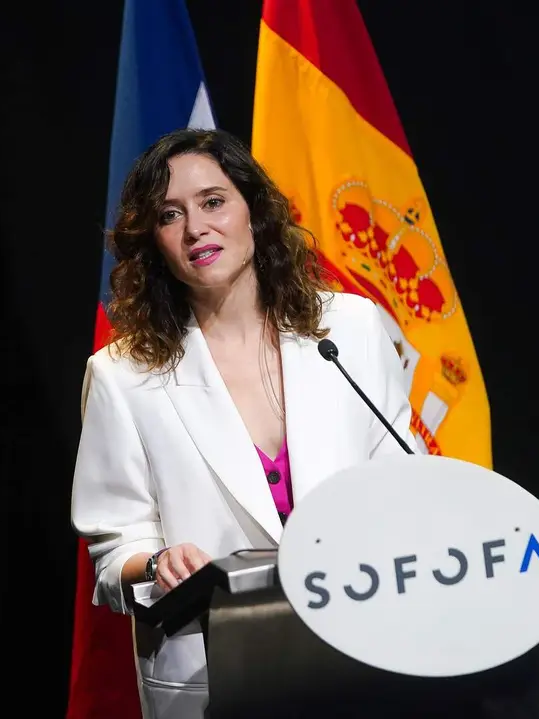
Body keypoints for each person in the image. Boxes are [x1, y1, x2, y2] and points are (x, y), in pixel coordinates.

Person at [70, 128, 418, 718]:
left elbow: (403, 483)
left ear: (253, 210)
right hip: (220, 674)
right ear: (153, 241)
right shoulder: (121, 375)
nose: (195, 228)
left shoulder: (353, 329)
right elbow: (113, 553)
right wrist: (157, 564)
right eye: (170, 215)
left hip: (363, 648)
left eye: (213, 202)